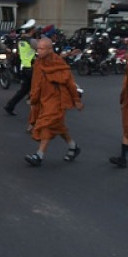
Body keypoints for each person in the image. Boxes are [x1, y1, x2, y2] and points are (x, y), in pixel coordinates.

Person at [24, 37, 83, 167]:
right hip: (44, 99)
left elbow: (69, 82)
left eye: (41, 49)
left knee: (46, 124)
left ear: (50, 49)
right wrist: (33, 98)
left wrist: (76, 100)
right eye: (38, 48)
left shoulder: (58, 63)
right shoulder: (39, 62)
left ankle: (39, 155)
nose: (38, 51)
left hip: (57, 99)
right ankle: (73, 146)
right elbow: (36, 83)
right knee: (57, 126)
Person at [3, 19, 38, 116]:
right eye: (34, 29)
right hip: (32, 68)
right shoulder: (32, 41)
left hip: (24, 67)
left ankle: (9, 106)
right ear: (31, 30)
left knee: (23, 90)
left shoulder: (20, 40)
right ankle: (38, 115)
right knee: (39, 90)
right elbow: (41, 50)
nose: (35, 30)